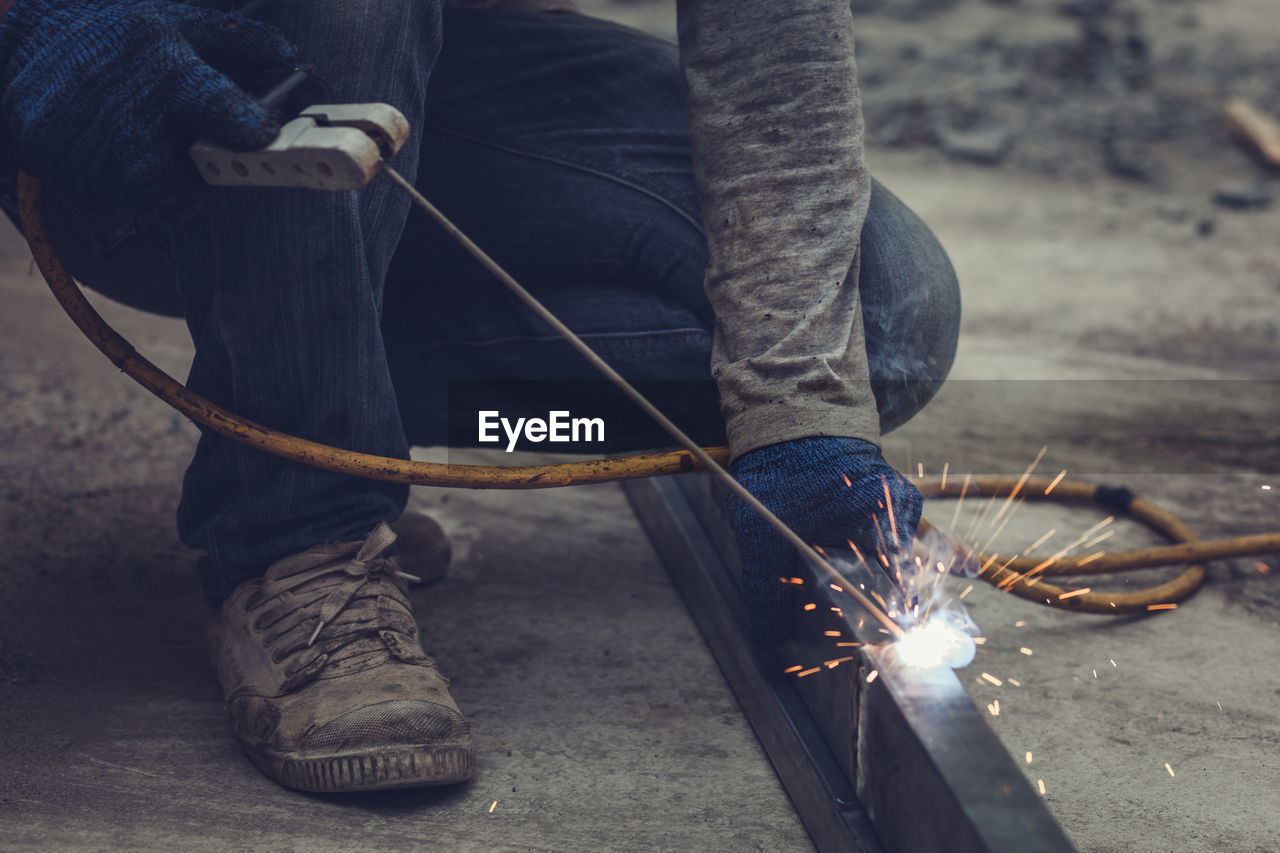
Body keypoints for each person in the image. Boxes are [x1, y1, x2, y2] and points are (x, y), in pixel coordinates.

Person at [0, 0, 959, 792]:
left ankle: (318, 376)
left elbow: (769, 40)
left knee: (888, 317)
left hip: (403, 62)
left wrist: (793, 412)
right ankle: (292, 534)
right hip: (131, 96)